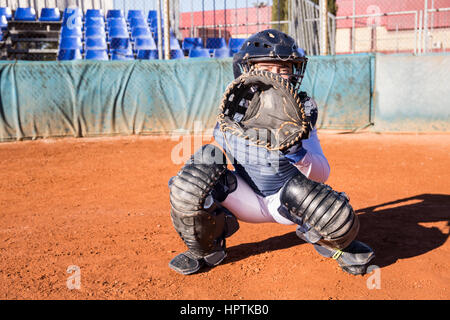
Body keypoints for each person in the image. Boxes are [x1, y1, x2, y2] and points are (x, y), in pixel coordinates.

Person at [168, 29, 374, 276]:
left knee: (319, 201)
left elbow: (322, 173)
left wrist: (296, 151)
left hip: (288, 203)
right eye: (269, 69)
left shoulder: (301, 113)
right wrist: (195, 191)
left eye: (284, 70)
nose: (278, 77)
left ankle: (340, 246)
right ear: (247, 70)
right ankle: (206, 249)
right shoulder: (235, 107)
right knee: (198, 168)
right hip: (245, 199)